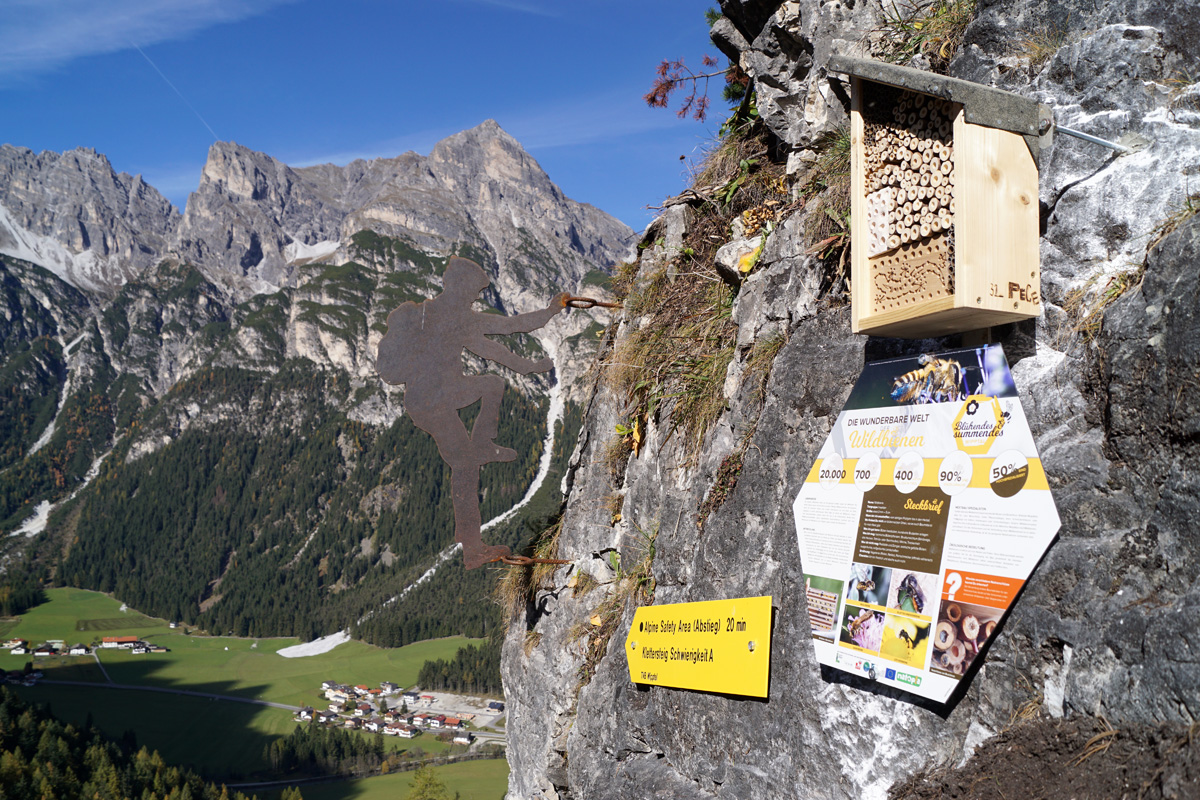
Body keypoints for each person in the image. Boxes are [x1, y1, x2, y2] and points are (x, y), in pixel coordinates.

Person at [377, 256, 567, 568]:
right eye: (476, 291)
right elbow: (511, 327)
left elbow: (495, 349)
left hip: (424, 400)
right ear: (462, 287)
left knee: (467, 459)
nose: (478, 296)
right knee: (489, 393)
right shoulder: (456, 319)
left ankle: (471, 543)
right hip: (434, 399)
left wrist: (530, 367)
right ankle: (472, 537)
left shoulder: (442, 315)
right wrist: (550, 311)